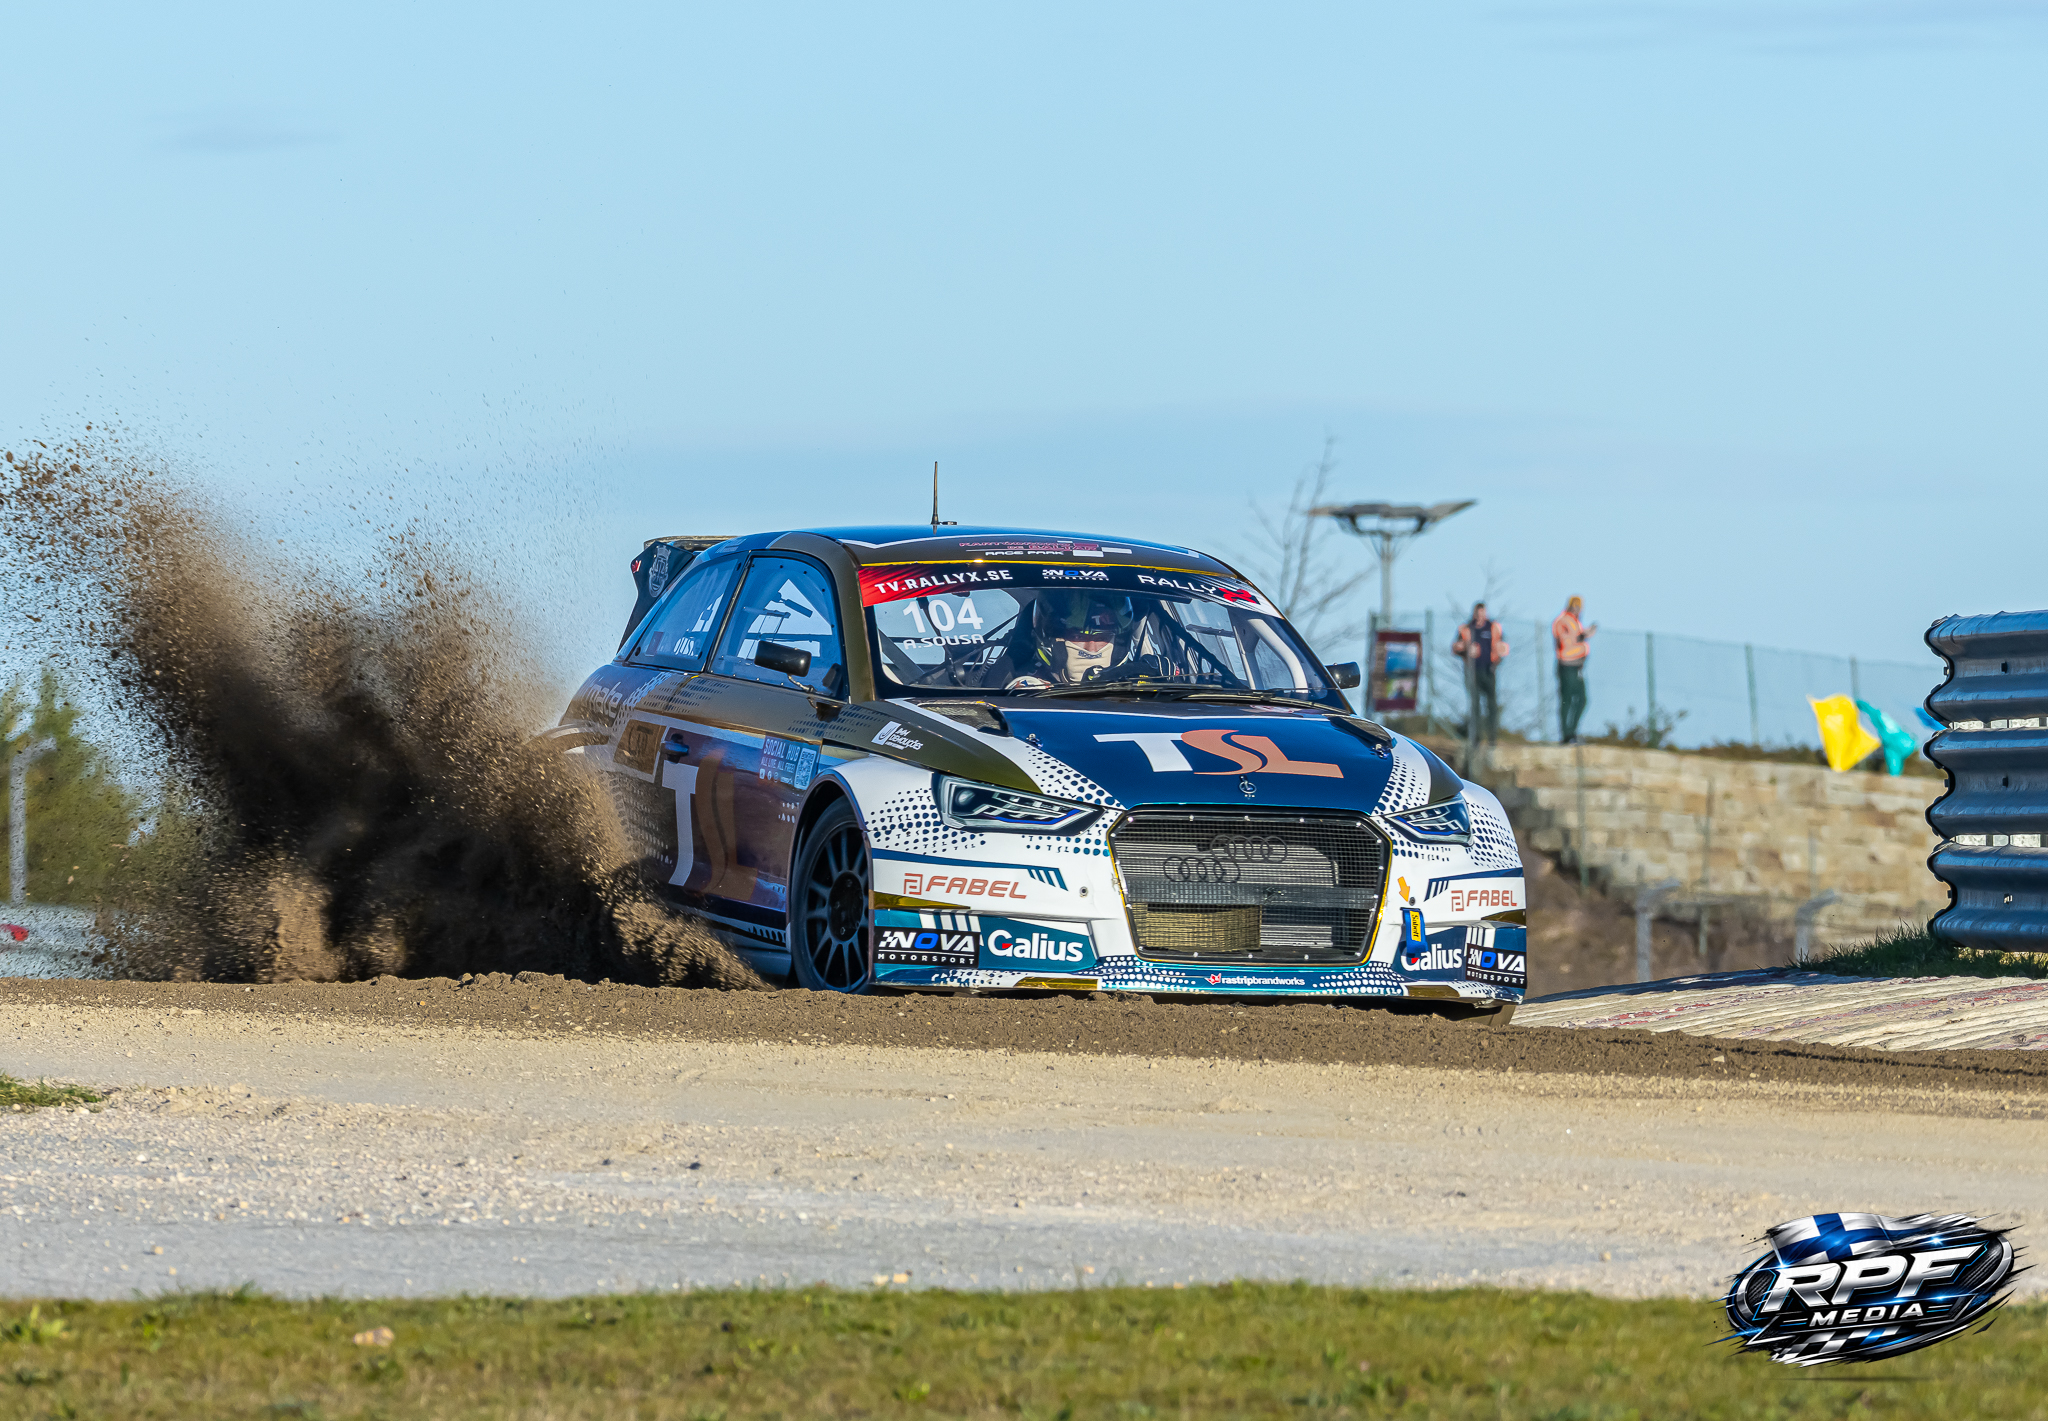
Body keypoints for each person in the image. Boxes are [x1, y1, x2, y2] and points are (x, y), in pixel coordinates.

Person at [1005, 591, 1140, 690]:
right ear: (1054, 641)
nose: (1091, 649)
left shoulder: (1140, 687)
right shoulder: (1027, 691)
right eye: (1078, 637)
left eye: (1101, 638)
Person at [1451, 602, 1508, 744]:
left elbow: (1504, 647)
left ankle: (1492, 737)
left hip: (1489, 670)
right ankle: (1475, 737)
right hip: (1472, 672)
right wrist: (1465, 649)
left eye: (1483, 613)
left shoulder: (1494, 627)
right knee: (1475, 705)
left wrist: (1499, 655)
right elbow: (1455, 647)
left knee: (1491, 705)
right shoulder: (1466, 629)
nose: (1480, 616)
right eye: (1478, 613)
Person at [1552, 595, 1597, 743]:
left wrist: (1585, 634)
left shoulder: (1575, 622)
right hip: (1566, 666)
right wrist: (1583, 636)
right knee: (1567, 700)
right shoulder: (1562, 621)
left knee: (1582, 699)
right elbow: (1566, 641)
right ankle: (1566, 734)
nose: (1577, 609)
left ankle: (1572, 731)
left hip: (1578, 667)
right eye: (1575, 606)